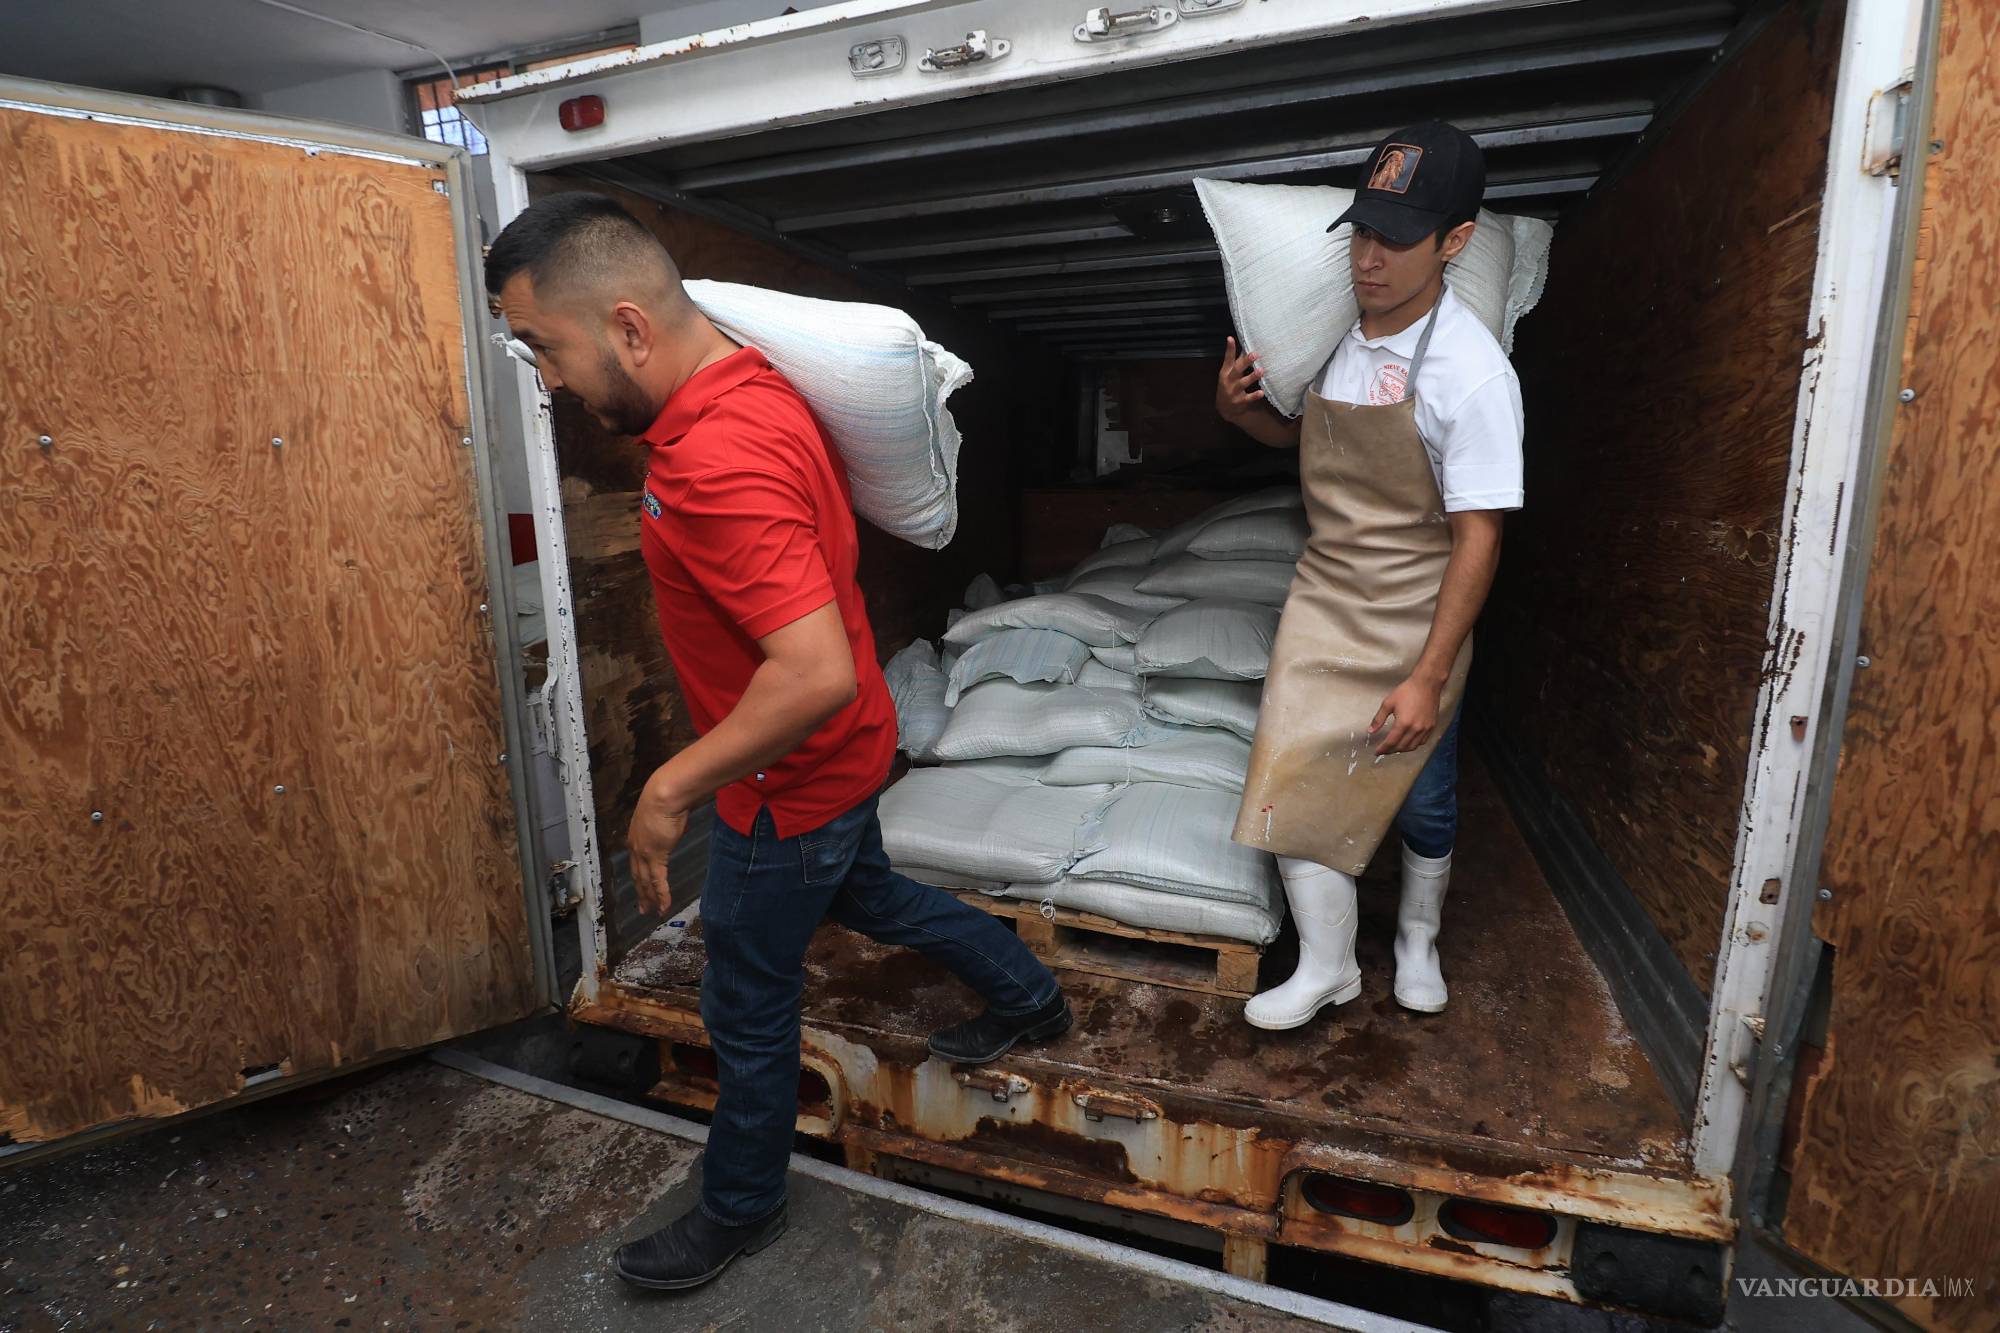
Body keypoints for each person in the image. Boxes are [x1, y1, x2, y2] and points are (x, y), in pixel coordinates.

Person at [485, 194, 1071, 1291]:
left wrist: (669, 786)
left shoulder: (716, 460)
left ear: (628, 327)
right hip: (844, 754)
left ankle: (741, 1205)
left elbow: (809, 672)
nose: (550, 382)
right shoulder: (751, 383)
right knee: (874, 897)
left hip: (785, 784)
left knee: (747, 1003)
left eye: (545, 349)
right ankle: (1031, 997)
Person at [1214, 122, 1524, 1028]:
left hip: (1418, 614)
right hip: (1326, 594)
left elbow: (1480, 539)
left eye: (1397, 240)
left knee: (1422, 795)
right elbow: (1305, 443)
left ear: (1455, 241)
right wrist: (1241, 417)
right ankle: (1328, 966)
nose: (1369, 259)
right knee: (1288, 766)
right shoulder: (1333, 338)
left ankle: (1419, 938)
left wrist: (1429, 674)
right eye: (1362, 234)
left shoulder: (1473, 374)